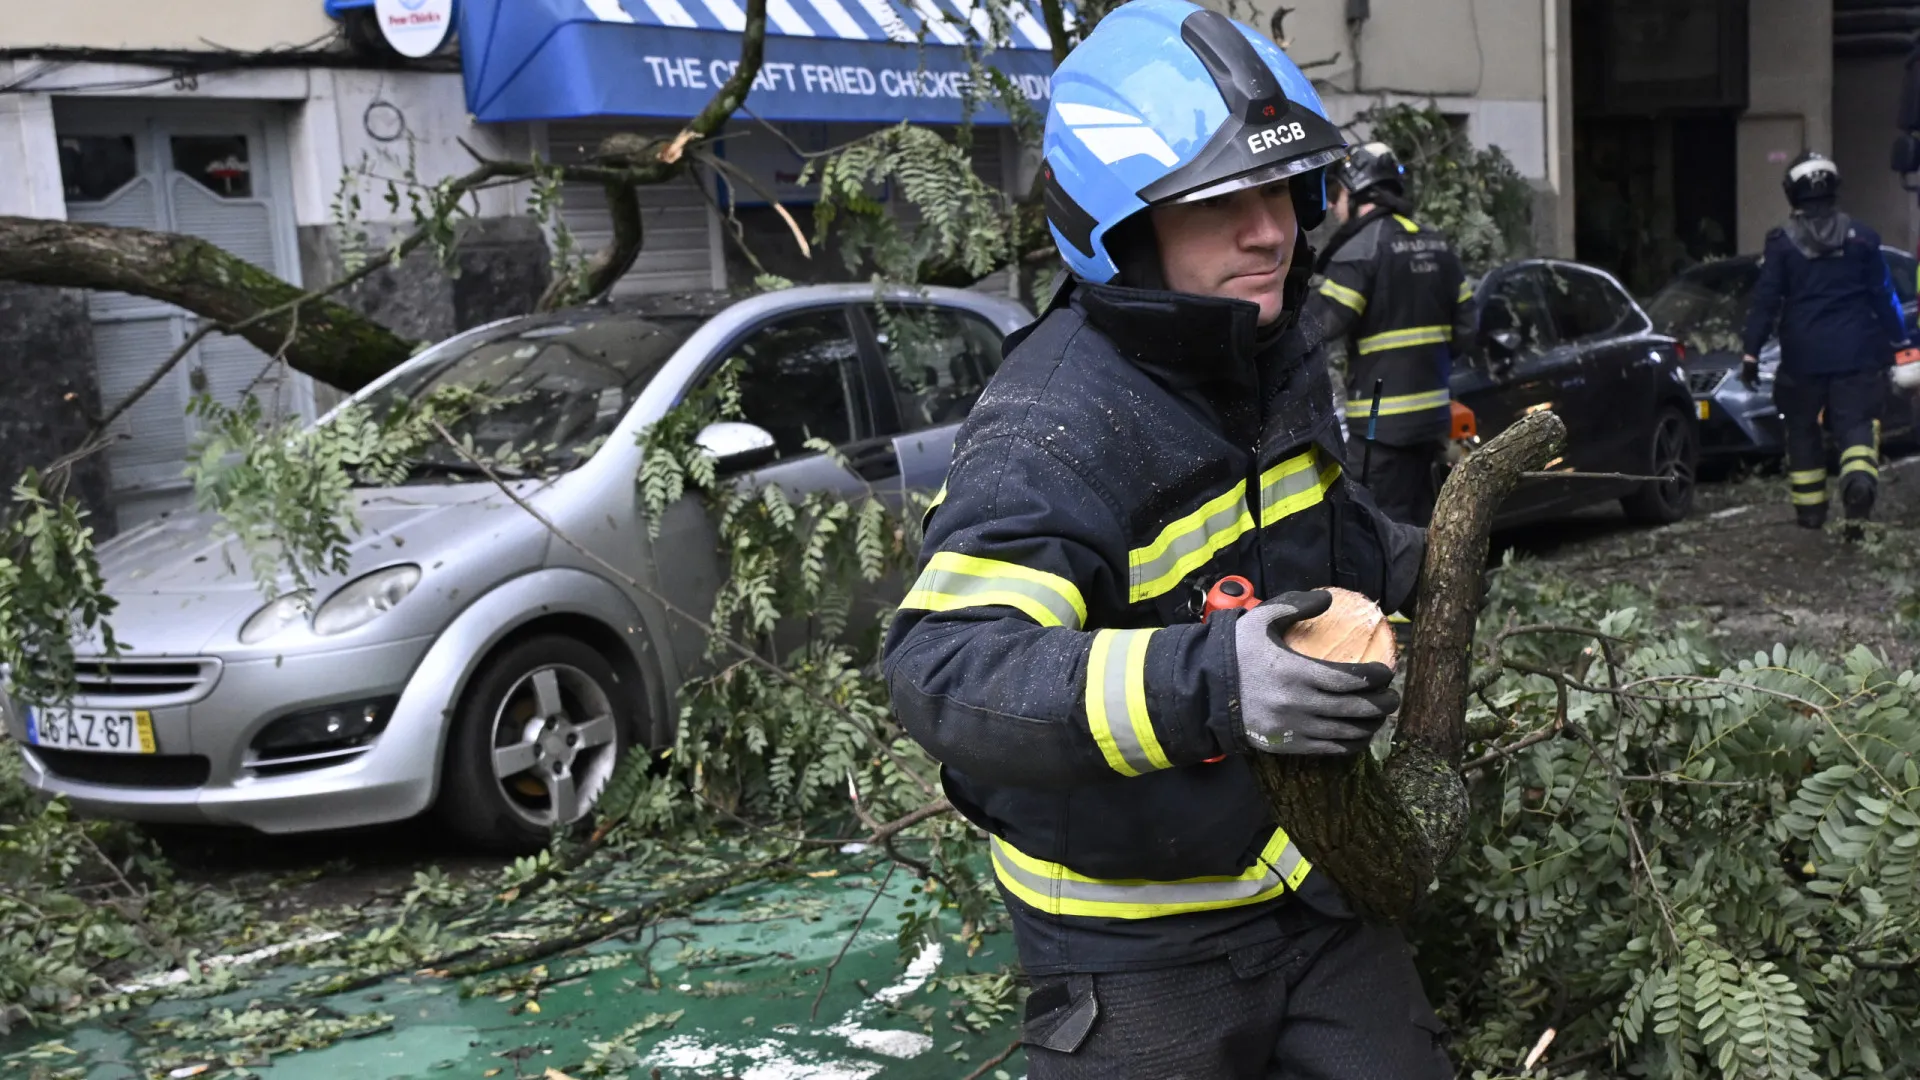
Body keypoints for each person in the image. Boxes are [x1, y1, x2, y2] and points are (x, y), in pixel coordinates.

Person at [881, 3, 1448, 1076]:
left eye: (1284, 190)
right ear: (1120, 225)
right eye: (1223, 200)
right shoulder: (1053, 422)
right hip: (1134, 950)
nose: (1272, 229)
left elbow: (1306, 532)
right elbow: (945, 670)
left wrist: (1425, 563)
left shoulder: (1268, 356)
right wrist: (1218, 681)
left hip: (1311, 891)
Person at [1301, 141, 1475, 526]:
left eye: (1338, 193)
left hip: (1380, 429)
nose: (1332, 206)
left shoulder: (1361, 250)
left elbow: (1316, 327)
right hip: (1432, 422)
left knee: (1381, 537)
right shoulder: (1438, 245)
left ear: (1357, 189)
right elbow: (1466, 331)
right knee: (1424, 529)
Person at [1741, 150, 1911, 532]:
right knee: (1857, 426)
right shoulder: (1864, 239)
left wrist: (1751, 352)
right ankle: (1859, 486)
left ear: (1792, 193)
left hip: (1802, 359)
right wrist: (1899, 339)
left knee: (1801, 430)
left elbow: (1765, 301)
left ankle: (1811, 513)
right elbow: (1883, 295)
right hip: (1857, 354)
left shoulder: (1781, 244)